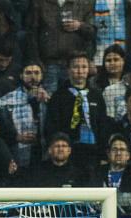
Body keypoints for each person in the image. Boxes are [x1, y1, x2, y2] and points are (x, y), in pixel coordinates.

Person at [44, 51, 108, 179]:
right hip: (69, 152)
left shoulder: (96, 95)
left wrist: (103, 154)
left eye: (84, 67)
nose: (80, 71)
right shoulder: (58, 96)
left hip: (93, 151)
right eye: (76, 67)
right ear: (68, 70)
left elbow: (103, 125)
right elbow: (52, 127)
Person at [26, 0, 97, 94]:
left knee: (73, 100)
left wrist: (80, 26)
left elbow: (92, 33)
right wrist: (37, 61)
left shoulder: (83, 3)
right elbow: (32, 33)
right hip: (48, 64)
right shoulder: (40, 3)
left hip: (74, 65)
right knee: (48, 101)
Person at [0, 60, 49, 172]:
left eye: (36, 73)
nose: (33, 76)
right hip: (18, 152)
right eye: (28, 73)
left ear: (42, 76)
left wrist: (49, 103)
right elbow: (2, 128)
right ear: (21, 76)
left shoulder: (51, 99)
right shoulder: (6, 101)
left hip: (44, 153)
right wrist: (16, 137)